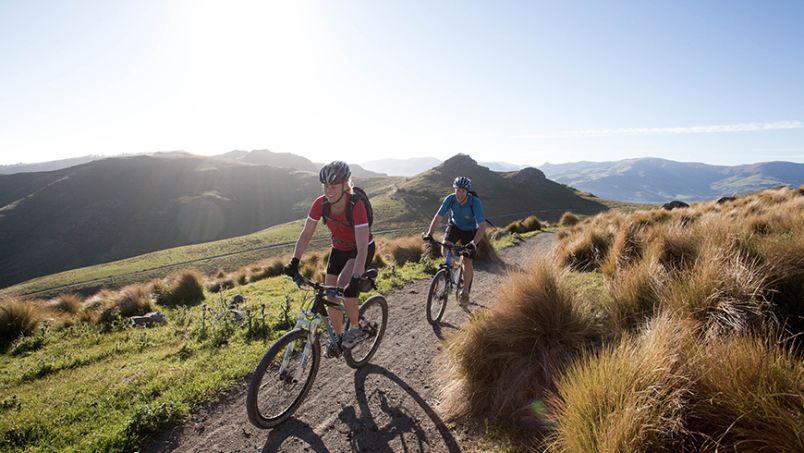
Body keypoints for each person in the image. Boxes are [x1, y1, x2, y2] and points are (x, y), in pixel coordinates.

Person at [283, 161, 375, 356]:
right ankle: (338, 338)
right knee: (330, 294)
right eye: (325, 186)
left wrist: (356, 277)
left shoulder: (355, 204)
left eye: (333, 186)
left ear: (345, 185)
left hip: (361, 249)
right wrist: (294, 261)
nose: (329, 190)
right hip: (339, 249)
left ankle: (356, 328)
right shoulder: (321, 203)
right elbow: (306, 234)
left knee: (344, 284)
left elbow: (361, 245)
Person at [423, 176, 487, 306]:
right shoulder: (450, 199)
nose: (459, 193)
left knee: (467, 260)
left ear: (467, 191)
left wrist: (473, 243)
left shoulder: (474, 202)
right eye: (457, 190)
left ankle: (465, 292)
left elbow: (482, 226)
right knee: (445, 248)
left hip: (471, 232)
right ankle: (449, 271)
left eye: (463, 191)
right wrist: (429, 234)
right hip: (455, 226)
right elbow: (438, 217)